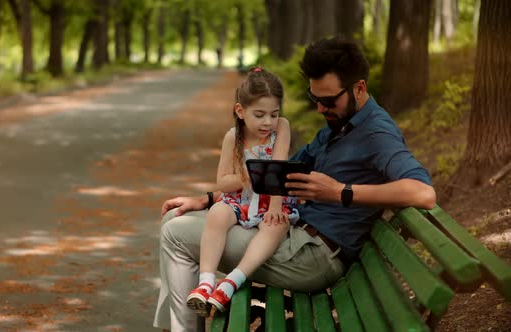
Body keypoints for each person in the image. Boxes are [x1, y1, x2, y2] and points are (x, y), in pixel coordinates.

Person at [153, 37, 436, 332]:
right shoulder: (338, 127)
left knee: (174, 233)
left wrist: (340, 192)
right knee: (177, 217)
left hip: (313, 256)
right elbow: (274, 174)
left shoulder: (377, 133)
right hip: (297, 240)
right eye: (315, 99)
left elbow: (423, 193)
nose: (319, 109)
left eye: (328, 101)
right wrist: (207, 199)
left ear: (359, 88)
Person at [185, 67, 300, 316]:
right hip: (242, 197)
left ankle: (231, 282)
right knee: (217, 213)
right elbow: (222, 183)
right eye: (259, 115)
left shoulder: (282, 128)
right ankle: (206, 282)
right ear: (240, 111)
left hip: (274, 196)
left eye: (273, 113)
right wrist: (247, 175)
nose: (267, 122)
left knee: (275, 227)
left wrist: (275, 208)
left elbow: (278, 167)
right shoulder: (233, 137)